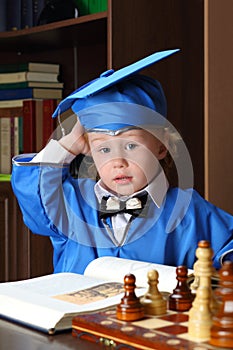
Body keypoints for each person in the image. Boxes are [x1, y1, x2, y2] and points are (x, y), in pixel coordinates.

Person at [11, 50, 233, 274]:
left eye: (131, 146)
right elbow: (34, 196)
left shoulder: (188, 211)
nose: (118, 161)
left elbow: (228, 250)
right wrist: (68, 144)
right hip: (75, 308)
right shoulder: (73, 204)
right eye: (104, 149)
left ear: (162, 145)